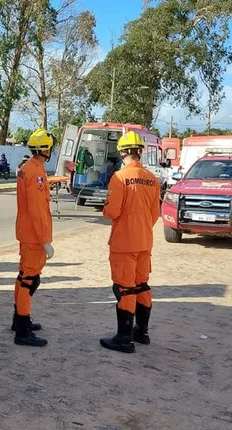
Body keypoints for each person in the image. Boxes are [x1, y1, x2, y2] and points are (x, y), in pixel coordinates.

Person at [100, 131, 160, 354]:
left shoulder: (119, 178)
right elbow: (155, 214)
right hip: (145, 241)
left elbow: (112, 211)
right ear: (140, 152)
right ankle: (141, 332)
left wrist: (105, 208)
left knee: (124, 289)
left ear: (123, 152)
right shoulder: (152, 179)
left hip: (124, 243)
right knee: (141, 285)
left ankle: (124, 339)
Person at [12, 129, 55, 347]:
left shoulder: (27, 168)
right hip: (34, 235)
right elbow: (38, 210)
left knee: (23, 277)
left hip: (26, 231)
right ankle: (22, 330)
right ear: (46, 149)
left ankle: (19, 319)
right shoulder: (36, 173)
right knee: (30, 279)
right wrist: (45, 240)